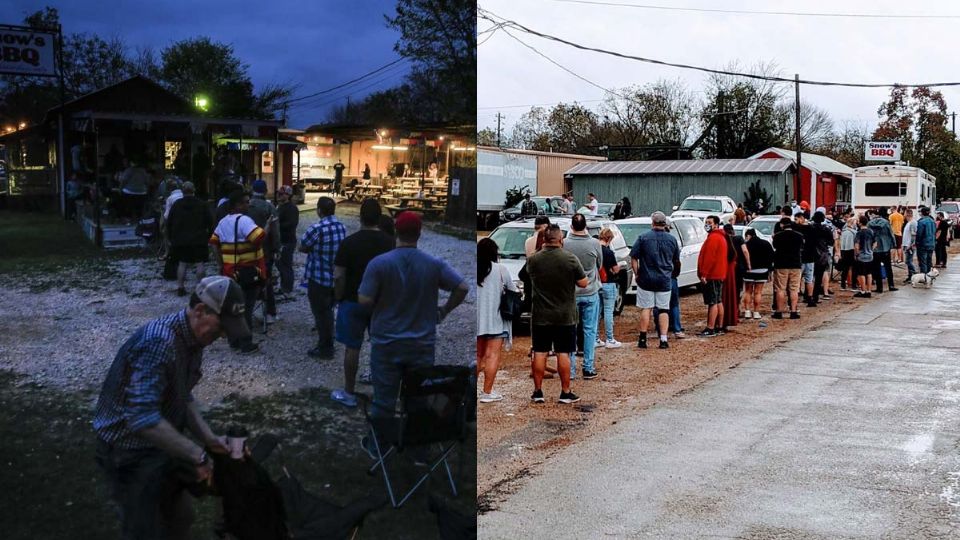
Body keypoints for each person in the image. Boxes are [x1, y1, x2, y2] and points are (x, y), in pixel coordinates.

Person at [94, 276, 251, 539]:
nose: (223, 335)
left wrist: (210, 441)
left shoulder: (193, 340)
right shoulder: (160, 343)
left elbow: (182, 395)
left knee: (181, 516)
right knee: (146, 531)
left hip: (160, 444)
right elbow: (142, 417)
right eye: (221, 327)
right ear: (200, 311)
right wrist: (197, 455)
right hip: (129, 452)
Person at [357, 211, 469, 420]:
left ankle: (381, 444)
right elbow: (462, 287)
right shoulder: (433, 264)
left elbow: (364, 300)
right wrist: (443, 310)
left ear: (395, 231)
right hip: (421, 344)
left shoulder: (379, 263)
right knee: (418, 397)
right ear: (419, 233)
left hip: (386, 343)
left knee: (384, 399)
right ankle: (414, 442)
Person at [326, 199, 396, 408]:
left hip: (353, 300)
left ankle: (349, 391)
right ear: (379, 217)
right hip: (381, 302)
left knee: (352, 348)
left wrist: (338, 296)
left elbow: (339, 275)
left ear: (360, 217)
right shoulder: (390, 242)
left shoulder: (349, 242)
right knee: (381, 346)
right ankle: (380, 392)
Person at [527, 225, 588, 404]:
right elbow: (583, 283)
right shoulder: (569, 259)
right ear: (560, 238)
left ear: (544, 239)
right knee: (563, 353)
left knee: (539, 352)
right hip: (564, 314)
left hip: (540, 314)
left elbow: (527, 276)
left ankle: (538, 391)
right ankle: (565, 391)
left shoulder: (534, 260)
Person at [209, 191, 263, 354]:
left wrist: (220, 264)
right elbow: (258, 238)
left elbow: (213, 244)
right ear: (237, 205)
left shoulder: (223, 222)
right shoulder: (245, 220)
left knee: (232, 306)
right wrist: (268, 227)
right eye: (246, 202)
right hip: (247, 270)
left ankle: (233, 340)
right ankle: (246, 342)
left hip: (229, 270)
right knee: (246, 307)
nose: (249, 205)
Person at [299, 196, 347, 359]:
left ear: (319, 210)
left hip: (318, 278)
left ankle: (326, 348)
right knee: (329, 310)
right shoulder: (342, 227)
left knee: (321, 313)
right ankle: (329, 337)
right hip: (336, 277)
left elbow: (303, 247)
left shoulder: (316, 228)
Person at [476, 238, 518, 403]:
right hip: (496, 319)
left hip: (477, 320)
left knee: (478, 356)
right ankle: (487, 393)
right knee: (492, 356)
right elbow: (512, 291)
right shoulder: (501, 270)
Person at [631, 211, 680, 348]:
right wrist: (673, 274)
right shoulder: (672, 240)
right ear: (664, 223)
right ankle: (663, 340)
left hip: (646, 278)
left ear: (652, 222)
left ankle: (642, 338)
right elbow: (676, 260)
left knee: (646, 308)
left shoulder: (643, 238)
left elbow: (634, 258)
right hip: (664, 278)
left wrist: (637, 273)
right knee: (664, 309)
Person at [564, 213, 603, 379]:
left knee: (570, 332)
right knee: (589, 330)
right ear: (585, 225)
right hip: (590, 290)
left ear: (571, 226)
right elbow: (599, 264)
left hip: (570, 293)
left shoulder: (564, 243)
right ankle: (588, 366)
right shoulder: (594, 243)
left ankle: (570, 369)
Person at [167, 182, 213, 297]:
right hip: (199, 238)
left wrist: (170, 237)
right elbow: (210, 222)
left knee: (182, 263)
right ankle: (200, 288)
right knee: (200, 263)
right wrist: (209, 236)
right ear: (194, 190)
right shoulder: (202, 204)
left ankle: (180, 287)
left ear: (182, 191)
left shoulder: (177, 204)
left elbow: (169, 222)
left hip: (181, 239)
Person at [247, 179, 281, 323]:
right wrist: (276, 248)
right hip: (264, 250)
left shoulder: (245, 206)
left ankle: (247, 310)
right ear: (266, 191)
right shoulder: (269, 207)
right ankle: (270, 313)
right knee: (266, 281)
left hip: (246, 249)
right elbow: (275, 231)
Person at [696, 215, 729, 336]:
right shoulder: (721, 237)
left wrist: (704, 273)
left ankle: (710, 327)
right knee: (718, 300)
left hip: (713, 274)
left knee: (712, 302)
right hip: (719, 273)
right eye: (706, 222)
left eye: (709, 222)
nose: (707, 224)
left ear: (716, 224)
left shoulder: (714, 238)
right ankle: (719, 326)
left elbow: (709, 258)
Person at [772, 217, 804, 319]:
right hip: (795, 264)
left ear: (782, 225)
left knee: (780, 288)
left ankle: (779, 311)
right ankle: (793, 311)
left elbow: (775, 247)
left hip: (781, 264)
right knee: (794, 289)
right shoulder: (799, 236)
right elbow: (801, 248)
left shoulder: (777, 236)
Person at [596, 227, 623, 349]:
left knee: (597, 312)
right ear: (609, 238)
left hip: (597, 283)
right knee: (608, 312)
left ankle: (596, 338)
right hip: (609, 283)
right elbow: (615, 269)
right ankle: (609, 338)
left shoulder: (595, 250)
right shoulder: (608, 252)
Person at [742, 228, 773, 319]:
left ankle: (747, 311)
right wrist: (769, 271)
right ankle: (756, 312)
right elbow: (771, 257)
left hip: (749, 271)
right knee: (758, 292)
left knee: (748, 291)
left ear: (748, 236)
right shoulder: (766, 243)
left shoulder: (746, 245)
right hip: (762, 271)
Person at [275, 185, 299, 295]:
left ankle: (287, 288)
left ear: (288, 196)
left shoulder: (291, 208)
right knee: (281, 265)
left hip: (287, 241)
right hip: (282, 241)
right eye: (278, 193)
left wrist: (276, 225)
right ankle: (284, 286)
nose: (278, 195)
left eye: (281, 194)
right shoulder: (279, 206)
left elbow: (291, 224)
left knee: (286, 265)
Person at [868, 207, 897, 293]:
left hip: (875, 248)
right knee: (888, 268)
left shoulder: (870, 223)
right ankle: (891, 286)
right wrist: (893, 245)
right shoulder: (886, 223)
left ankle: (879, 288)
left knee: (876, 269)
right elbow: (891, 234)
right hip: (885, 248)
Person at [720, 224, 740, 329]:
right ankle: (729, 318)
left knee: (721, 298)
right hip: (731, 274)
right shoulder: (734, 247)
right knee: (731, 296)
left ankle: (720, 321)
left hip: (723, 273)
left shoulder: (724, 243)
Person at [853, 214, 875, 298]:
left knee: (861, 273)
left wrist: (856, 253)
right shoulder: (871, 231)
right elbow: (875, 243)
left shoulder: (859, 233)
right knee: (869, 273)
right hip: (869, 255)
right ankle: (869, 290)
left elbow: (856, 245)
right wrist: (871, 250)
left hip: (861, 255)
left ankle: (863, 290)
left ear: (860, 223)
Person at [838, 217, 858, 291]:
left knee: (845, 269)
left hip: (844, 250)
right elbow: (856, 244)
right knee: (854, 268)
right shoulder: (854, 233)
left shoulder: (843, 232)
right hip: (852, 251)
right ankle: (853, 285)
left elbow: (841, 243)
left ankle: (843, 285)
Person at [916, 206, 937, 274]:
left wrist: (917, 242)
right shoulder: (933, 221)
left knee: (923, 261)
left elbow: (919, 234)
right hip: (931, 243)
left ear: (922, 213)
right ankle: (929, 275)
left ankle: (924, 276)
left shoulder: (921, 222)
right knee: (929, 260)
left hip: (923, 244)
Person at [901, 208, 917, 283]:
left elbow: (914, 235)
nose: (903, 215)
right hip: (906, 244)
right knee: (908, 261)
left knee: (908, 261)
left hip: (909, 246)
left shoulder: (912, 223)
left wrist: (910, 245)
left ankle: (914, 274)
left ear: (908, 214)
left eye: (904, 213)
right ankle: (910, 276)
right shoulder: (908, 223)